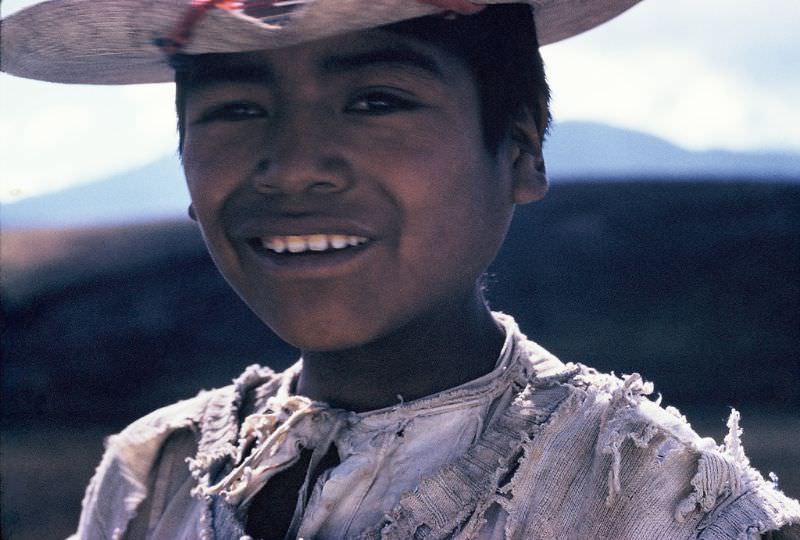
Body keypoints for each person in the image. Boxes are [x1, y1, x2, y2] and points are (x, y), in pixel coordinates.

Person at [3, 1, 799, 538]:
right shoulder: (153, 477)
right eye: (236, 110)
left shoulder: (667, 505)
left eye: (377, 100)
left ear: (519, 152)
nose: (292, 166)